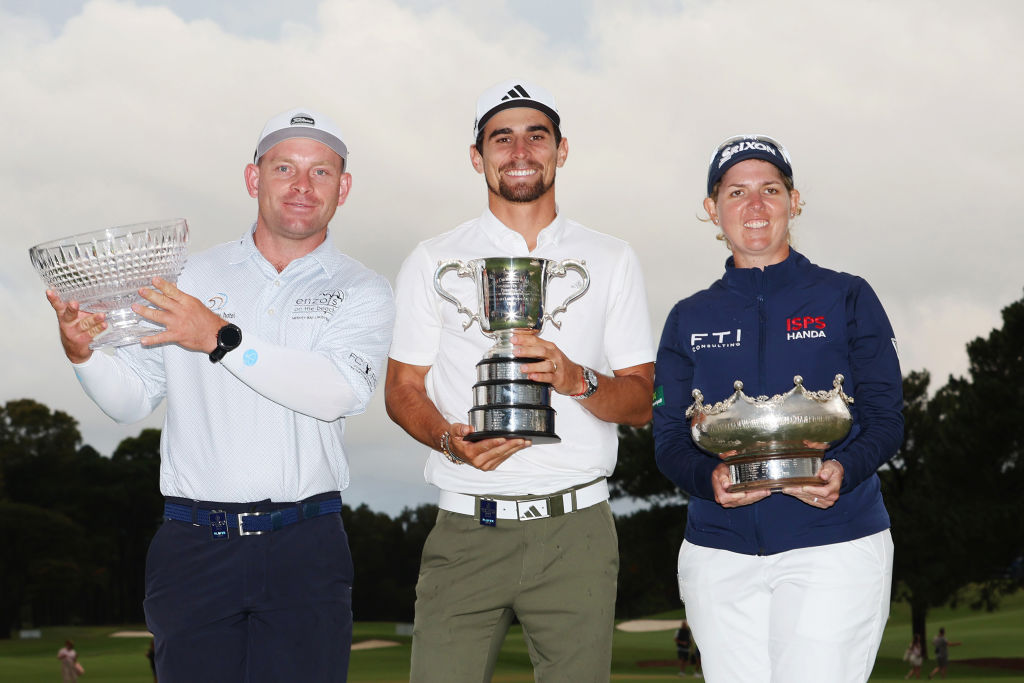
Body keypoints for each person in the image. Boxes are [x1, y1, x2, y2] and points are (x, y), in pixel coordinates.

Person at [46, 108, 394, 682]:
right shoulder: (184, 279)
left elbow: (338, 391)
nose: (303, 187)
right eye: (285, 168)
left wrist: (221, 338)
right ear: (254, 179)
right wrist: (84, 354)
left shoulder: (363, 288)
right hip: (194, 544)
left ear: (344, 187)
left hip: (305, 543)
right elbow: (130, 399)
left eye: (321, 173)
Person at [385, 78, 655, 682]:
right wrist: (450, 440)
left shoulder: (612, 258)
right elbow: (402, 390)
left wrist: (576, 378)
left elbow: (643, 401)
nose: (520, 151)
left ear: (562, 150)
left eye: (537, 135)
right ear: (477, 157)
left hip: (577, 531)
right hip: (466, 527)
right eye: (501, 138)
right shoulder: (433, 258)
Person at [652, 134, 903, 682]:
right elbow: (668, 440)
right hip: (718, 552)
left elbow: (886, 419)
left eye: (770, 189)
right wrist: (706, 477)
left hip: (835, 542)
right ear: (712, 209)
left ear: (794, 201)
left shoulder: (847, 296)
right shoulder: (688, 317)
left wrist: (843, 468)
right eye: (737, 192)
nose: (755, 206)